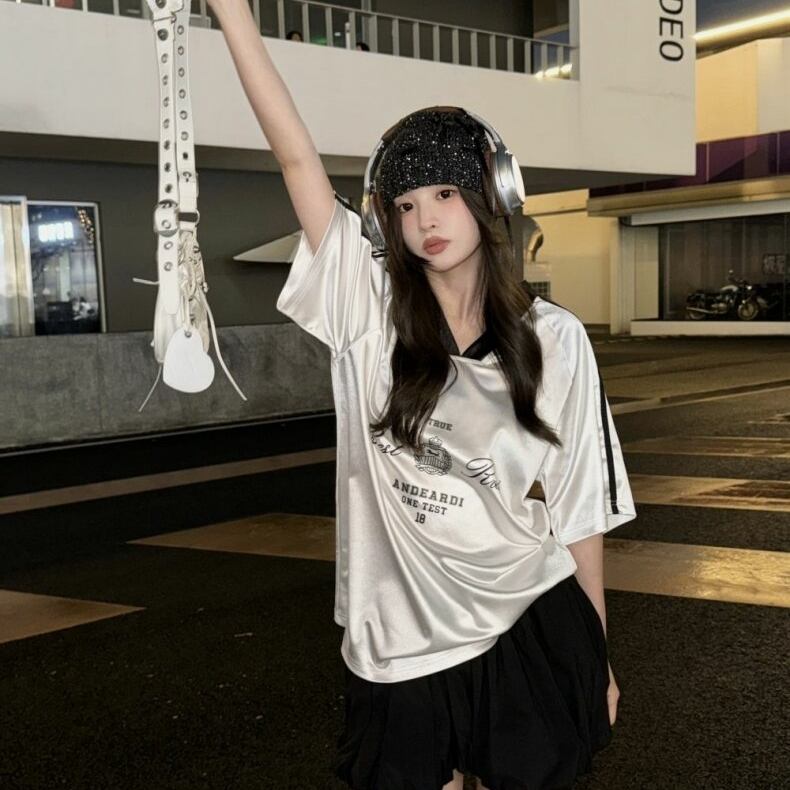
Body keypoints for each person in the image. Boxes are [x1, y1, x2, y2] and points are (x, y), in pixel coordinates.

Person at [209, 1, 638, 788]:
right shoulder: (364, 309)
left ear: (488, 195)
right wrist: (232, 12)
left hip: (528, 618)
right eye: (405, 205)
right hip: (398, 637)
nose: (424, 219)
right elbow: (297, 159)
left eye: (443, 194)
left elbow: (580, 511)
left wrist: (597, 655)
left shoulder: (555, 339)